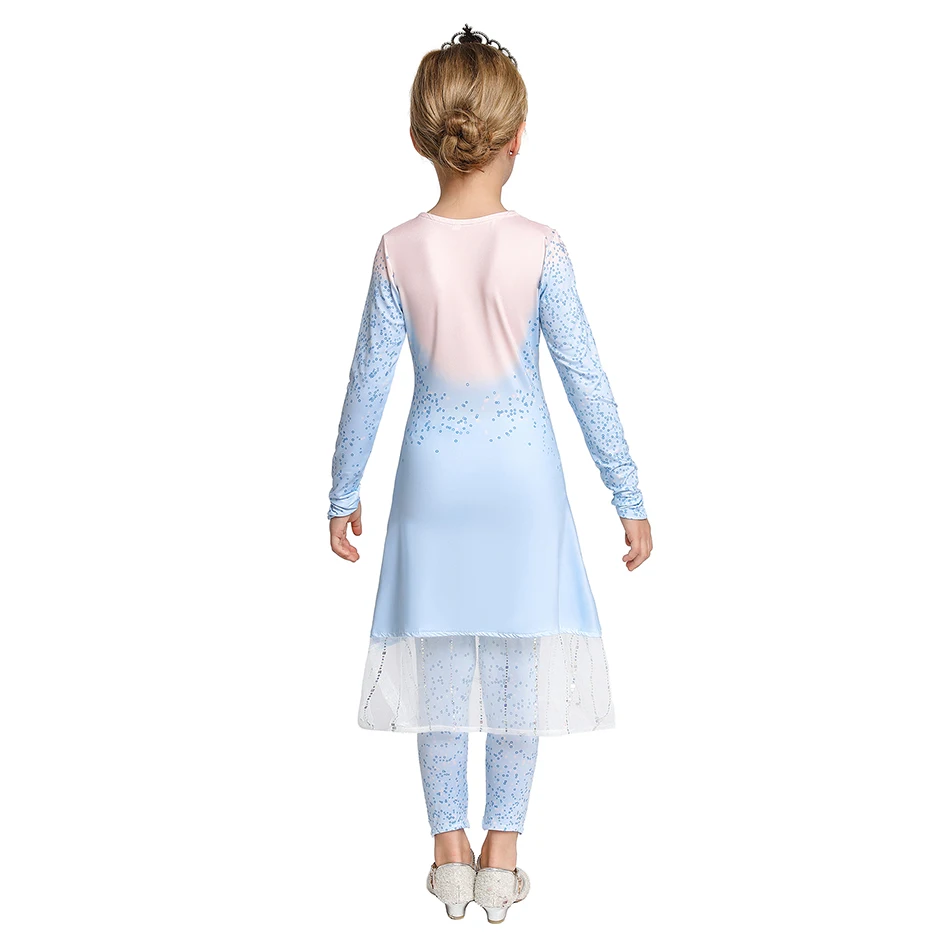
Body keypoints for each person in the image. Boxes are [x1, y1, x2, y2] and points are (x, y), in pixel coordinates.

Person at [327, 24, 653, 923]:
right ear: (519, 137)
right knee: (516, 665)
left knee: (437, 668)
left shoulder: (398, 248)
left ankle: (448, 855)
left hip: (432, 487)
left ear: (418, 137)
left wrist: (342, 491)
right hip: (522, 487)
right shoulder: (539, 245)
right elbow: (586, 378)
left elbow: (367, 381)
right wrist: (628, 495)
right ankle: (502, 856)